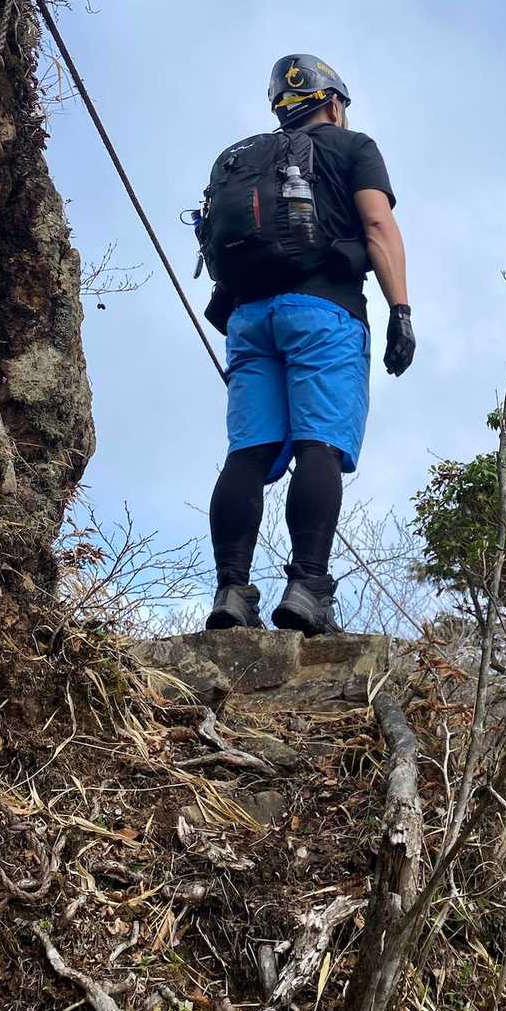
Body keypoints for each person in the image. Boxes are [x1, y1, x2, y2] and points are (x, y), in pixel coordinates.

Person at [201, 55, 415, 635]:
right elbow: (378, 226)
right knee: (319, 446)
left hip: (249, 319)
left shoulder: (244, 159)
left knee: (248, 453)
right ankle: (307, 588)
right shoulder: (353, 147)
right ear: (334, 104)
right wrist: (400, 311)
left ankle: (231, 591)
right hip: (324, 314)